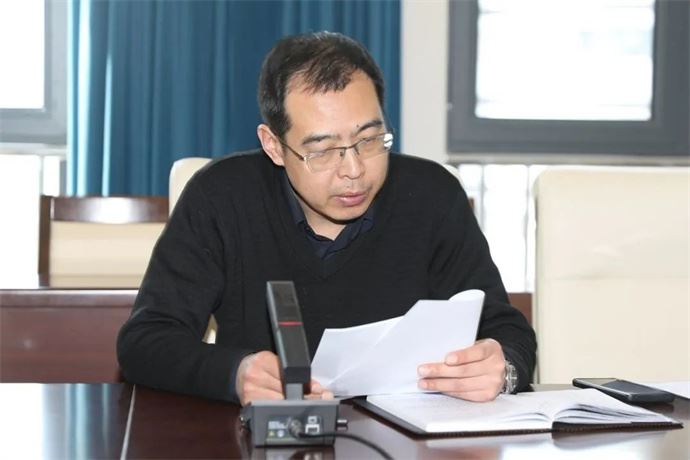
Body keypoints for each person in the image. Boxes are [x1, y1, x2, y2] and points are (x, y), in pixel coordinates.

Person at [117, 32, 536, 406]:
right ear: (274, 145)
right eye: (322, 150)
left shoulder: (432, 195)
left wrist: (502, 370)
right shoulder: (222, 196)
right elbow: (145, 341)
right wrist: (235, 373)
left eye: (369, 140)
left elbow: (507, 329)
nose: (354, 170)